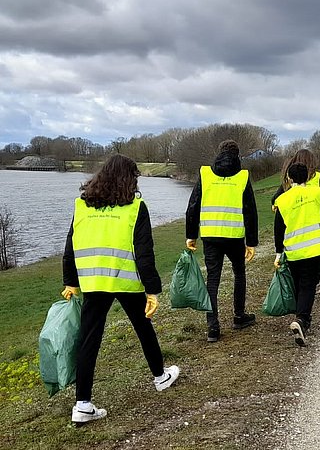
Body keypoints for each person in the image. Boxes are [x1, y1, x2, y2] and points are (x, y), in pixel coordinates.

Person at [62, 155, 179, 424]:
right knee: (143, 327)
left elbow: (70, 246)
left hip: (93, 282)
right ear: (130, 179)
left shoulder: (82, 205)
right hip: (126, 281)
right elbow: (144, 252)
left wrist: (70, 281)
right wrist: (152, 290)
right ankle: (160, 376)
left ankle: (82, 404)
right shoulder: (136, 207)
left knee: (89, 339)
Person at [185, 140, 258, 342]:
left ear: (219, 153)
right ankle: (239, 316)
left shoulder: (205, 174)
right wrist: (251, 241)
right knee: (239, 274)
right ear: (238, 155)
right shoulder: (243, 177)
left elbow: (193, 206)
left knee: (213, 280)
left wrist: (191, 235)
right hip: (235, 236)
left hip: (210, 236)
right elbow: (250, 211)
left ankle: (212, 327)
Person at [273, 163, 320, 346]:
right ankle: (302, 320)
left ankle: (301, 317)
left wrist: (278, 253)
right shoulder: (317, 192)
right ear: (308, 177)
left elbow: (278, 229)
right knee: (309, 285)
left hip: (294, 250)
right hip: (315, 247)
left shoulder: (283, 200)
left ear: (289, 178)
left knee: (298, 284)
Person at [271, 148, 320, 294]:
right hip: (314, 225)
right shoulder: (318, 178)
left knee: (296, 255)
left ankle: (300, 288)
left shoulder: (289, 179)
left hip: (293, 226)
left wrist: (276, 205)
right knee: (315, 254)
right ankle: (314, 282)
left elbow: (276, 198)